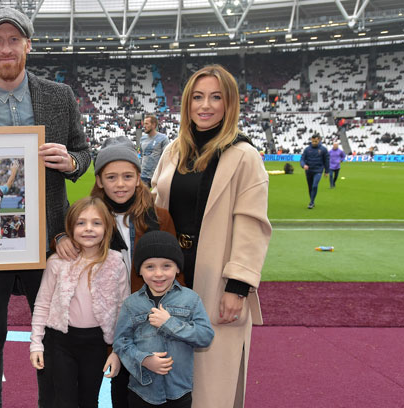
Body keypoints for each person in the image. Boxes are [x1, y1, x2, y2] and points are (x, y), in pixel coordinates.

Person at [0, 7, 91, 407]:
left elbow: (82, 152)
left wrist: (72, 161)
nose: (5, 48)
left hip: (47, 238)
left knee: (50, 333)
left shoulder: (60, 97)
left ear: (28, 44)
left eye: (13, 40)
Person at [150, 64, 271, 408]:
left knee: (213, 381)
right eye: (198, 97)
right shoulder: (174, 151)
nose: (206, 105)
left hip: (217, 277)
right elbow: (154, 207)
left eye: (216, 97)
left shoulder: (244, 155)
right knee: (167, 374)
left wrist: (238, 286)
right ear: (187, 103)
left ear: (229, 104)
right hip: (171, 276)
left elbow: (252, 226)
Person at [56, 136, 176, 407]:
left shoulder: (159, 218)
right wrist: (60, 238)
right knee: (94, 389)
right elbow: (68, 253)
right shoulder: (85, 219)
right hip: (99, 321)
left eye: (127, 176)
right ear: (99, 180)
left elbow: (174, 271)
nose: (120, 184)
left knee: (141, 392)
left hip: (145, 319)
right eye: (111, 177)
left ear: (138, 177)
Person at [30, 196, 128, 407]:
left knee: (89, 400)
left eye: (96, 223)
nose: (88, 229)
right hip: (61, 343)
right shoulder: (57, 262)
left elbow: (123, 309)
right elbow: (42, 303)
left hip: (96, 344)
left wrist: (118, 351)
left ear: (107, 227)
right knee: (63, 400)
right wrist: (36, 344)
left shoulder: (116, 262)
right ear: (70, 227)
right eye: (81, 223)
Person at [114, 231, 214, 407]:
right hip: (142, 392)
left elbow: (205, 336)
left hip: (179, 393)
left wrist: (170, 323)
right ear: (139, 270)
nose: (158, 274)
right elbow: (121, 343)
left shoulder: (191, 299)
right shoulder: (131, 304)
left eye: (166, 266)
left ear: (177, 268)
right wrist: (144, 360)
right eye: (150, 267)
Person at [299, 135, 329, 209]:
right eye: (313, 141)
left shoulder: (323, 149)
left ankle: (311, 202)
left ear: (319, 140)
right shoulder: (307, 149)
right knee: (310, 187)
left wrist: (326, 171)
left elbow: (326, 161)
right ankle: (312, 200)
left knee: (314, 185)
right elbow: (302, 159)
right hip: (309, 171)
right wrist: (303, 165)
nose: (314, 143)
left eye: (315, 141)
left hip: (318, 170)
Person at [140, 115, 170, 186]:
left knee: (157, 196)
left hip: (157, 175)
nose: (144, 126)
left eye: (147, 124)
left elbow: (166, 157)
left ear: (153, 125)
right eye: (144, 124)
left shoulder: (163, 138)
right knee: (143, 196)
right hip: (144, 175)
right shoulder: (142, 139)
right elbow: (142, 155)